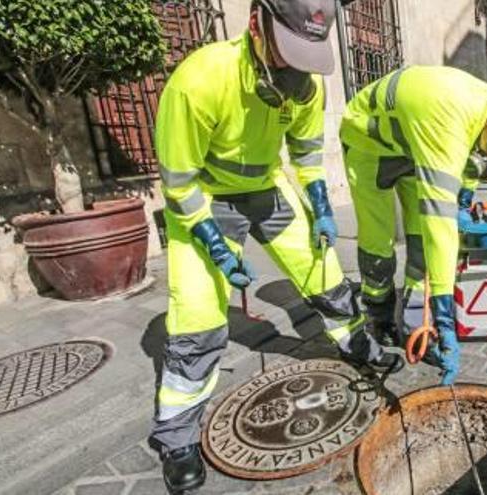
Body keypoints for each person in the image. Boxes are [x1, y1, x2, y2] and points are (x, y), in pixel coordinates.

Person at [151, 1, 401, 492]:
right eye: (286, 51)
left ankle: (356, 342)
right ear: (255, 23)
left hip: (267, 188)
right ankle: (177, 434)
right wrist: (214, 246)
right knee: (197, 317)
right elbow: (178, 183)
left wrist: (321, 207)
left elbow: (307, 156)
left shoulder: (307, 81)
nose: (293, 67)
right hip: (205, 197)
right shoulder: (199, 80)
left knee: (322, 270)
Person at [339, 66, 487, 386]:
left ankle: (416, 329)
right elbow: (439, 226)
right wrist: (445, 318)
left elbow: (469, 158)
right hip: (369, 144)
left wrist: (464, 201)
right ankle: (380, 319)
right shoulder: (446, 116)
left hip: (413, 148)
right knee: (378, 240)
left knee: (418, 244)